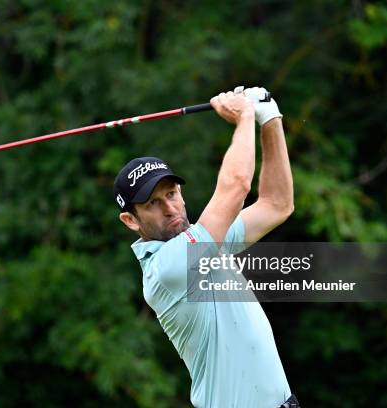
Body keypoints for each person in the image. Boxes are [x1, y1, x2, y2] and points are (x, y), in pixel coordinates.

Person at [113, 87, 298, 408]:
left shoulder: (205, 243)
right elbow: (237, 185)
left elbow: (276, 204)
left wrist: (269, 118)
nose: (170, 208)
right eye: (153, 203)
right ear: (131, 220)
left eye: (171, 194)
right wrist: (244, 118)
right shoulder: (168, 268)